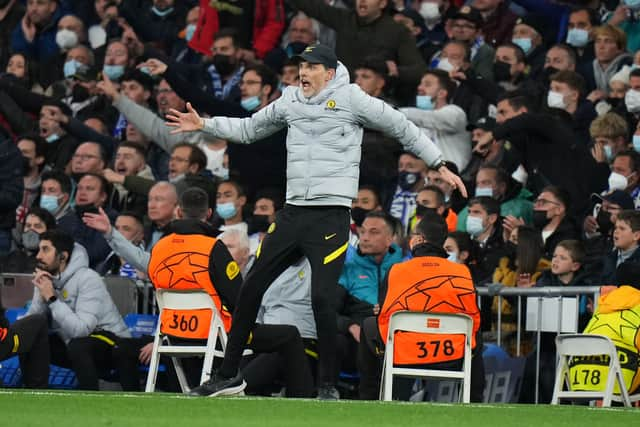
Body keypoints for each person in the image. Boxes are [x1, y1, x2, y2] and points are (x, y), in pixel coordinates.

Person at [166, 43, 466, 399]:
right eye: (301, 67)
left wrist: (440, 164)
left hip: (331, 216)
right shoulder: (290, 99)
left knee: (322, 299)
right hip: (293, 212)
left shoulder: (353, 99)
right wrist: (204, 123)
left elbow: (402, 126)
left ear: (328, 72)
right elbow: (249, 129)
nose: (304, 74)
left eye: (311, 68)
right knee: (250, 288)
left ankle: (327, 385)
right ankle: (229, 375)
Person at [357, 212, 483, 401]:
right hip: (452, 355)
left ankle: (369, 396)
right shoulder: (463, 272)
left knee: (369, 324)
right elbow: (473, 317)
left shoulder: (397, 270)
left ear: (419, 239)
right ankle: (474, 399)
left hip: (404, 353)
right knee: (476, 332)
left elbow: (384, 313)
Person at [27, 229, 130, 390]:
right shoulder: (47, 278)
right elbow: (32, 322)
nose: (38, 256)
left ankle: (90, 395)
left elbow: (82, 330)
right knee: (30, 339)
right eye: (39, 249)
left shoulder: (88, 278)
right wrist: (41, 296)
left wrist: (52, 299)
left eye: (45, 249)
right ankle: (34, 391)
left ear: (63, 256)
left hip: (111, 342)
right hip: (74, 343)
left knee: (79, 345)